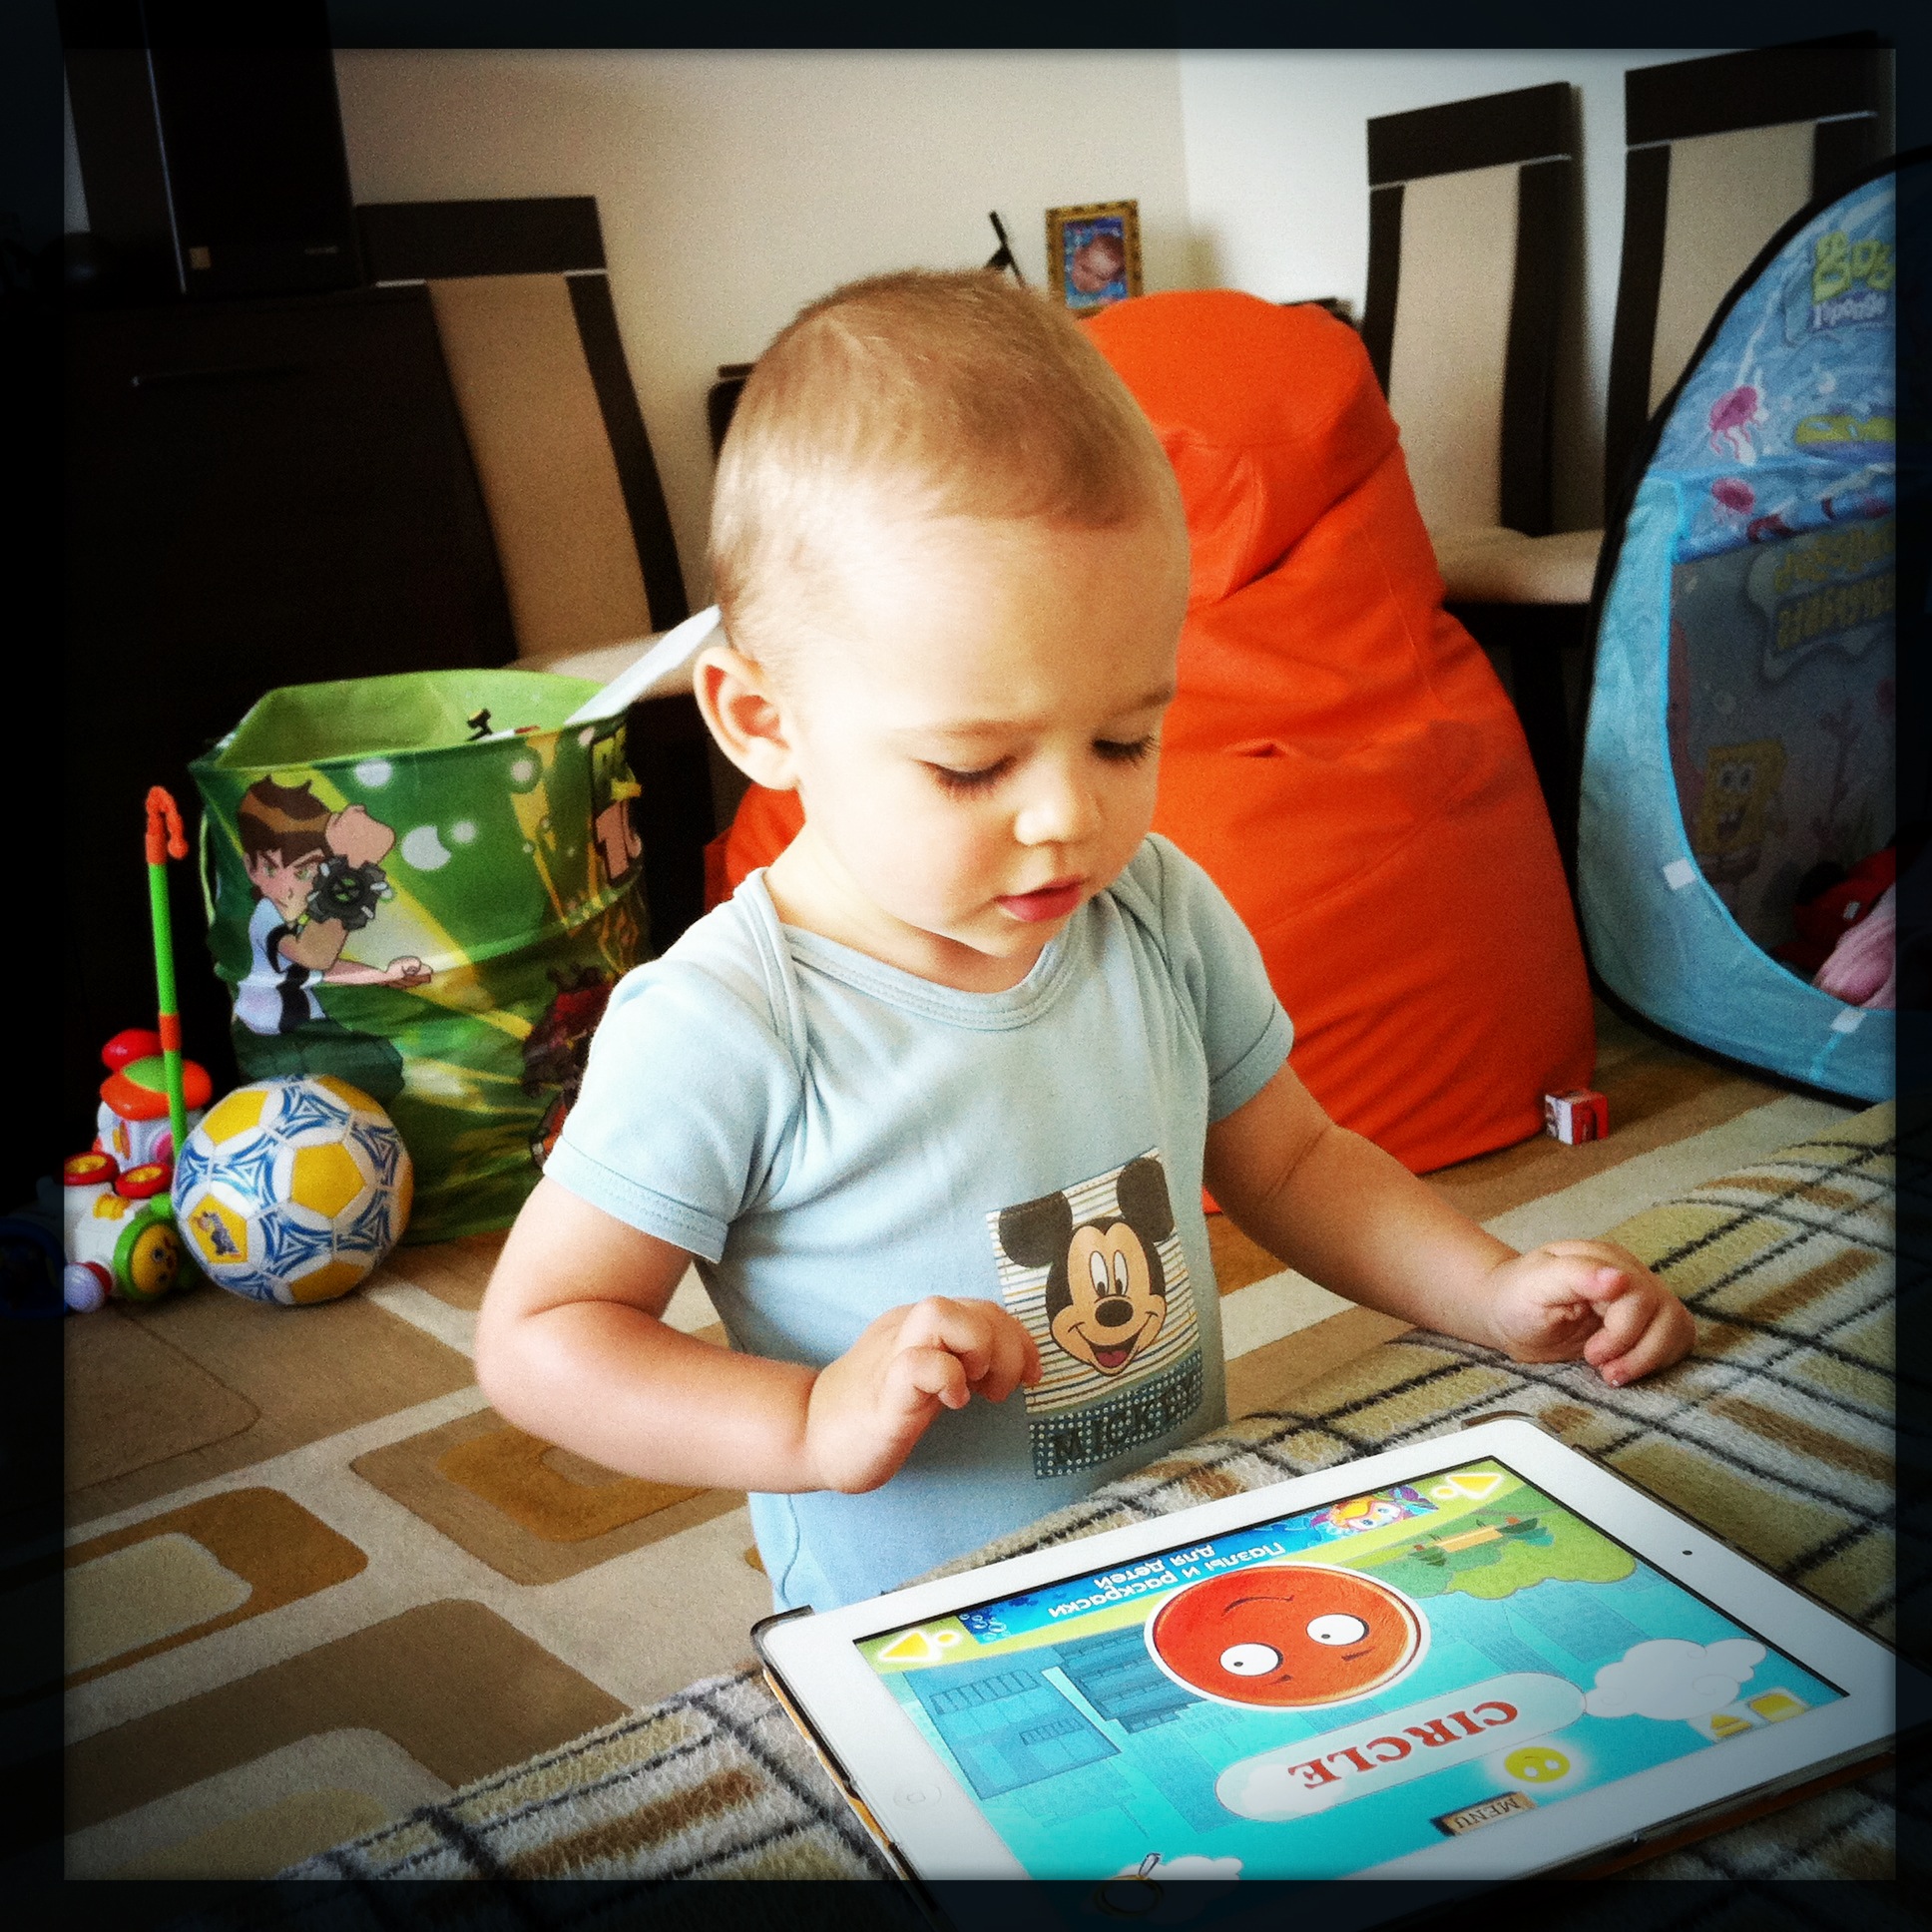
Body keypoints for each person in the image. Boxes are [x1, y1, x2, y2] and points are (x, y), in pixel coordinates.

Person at [474, 270, 1693, 1614]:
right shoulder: (729, 1021)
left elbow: (1294, 1160)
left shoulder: (1157, 910)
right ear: (763, 722)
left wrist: (1491, 1290)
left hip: (1180, 1545)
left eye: (1124, 739)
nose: (1068, 817)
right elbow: (544, 1337)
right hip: (920, 1620)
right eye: (972, 764)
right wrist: (807, 1421)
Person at [233, 778, 430, 1104]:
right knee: (376, 1071)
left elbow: (319, 970)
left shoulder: (296, 923)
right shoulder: (266, 916)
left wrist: (382, 975)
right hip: (274, 1040)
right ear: (250, 868)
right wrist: (353, 866)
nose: (291, 887)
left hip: (304, 1029)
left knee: (385, 1064)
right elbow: (314, 955)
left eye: (306, 871)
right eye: (271, 869)